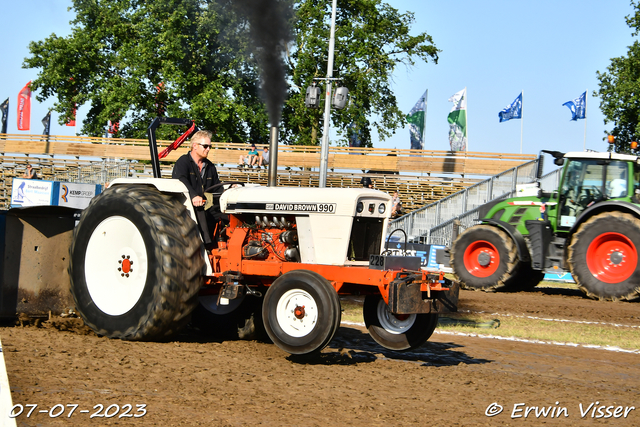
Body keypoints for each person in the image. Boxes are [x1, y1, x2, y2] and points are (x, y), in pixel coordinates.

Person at [172, 130, 224, 246]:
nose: (208, 149)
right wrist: (193, 195)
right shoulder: (183, 162)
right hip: (187, 205)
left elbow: (216, 187)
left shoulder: (210, 166)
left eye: (210, 146)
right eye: (205, 146)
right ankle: (207, 246)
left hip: (206, 204)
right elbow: (181, 180)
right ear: (194, 146)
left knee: (228, 213)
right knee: (200, 209)